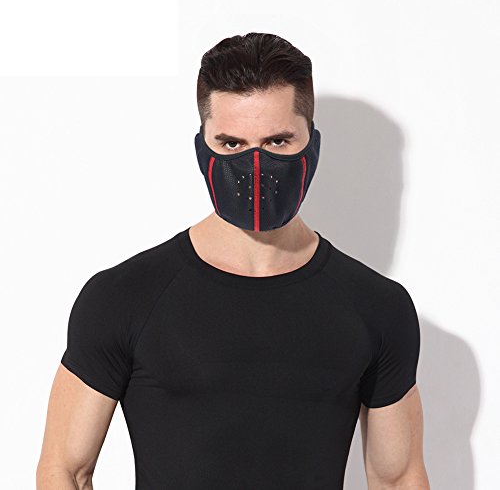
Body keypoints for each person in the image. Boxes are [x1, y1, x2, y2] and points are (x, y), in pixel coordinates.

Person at [37, 32, 430, 489]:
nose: (255, 167)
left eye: (278, 141)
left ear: (312, 144)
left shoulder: (377, 306)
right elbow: (65, 470)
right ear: (202, 148)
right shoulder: (124, 297)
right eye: (231, 144)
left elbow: (398, 478)